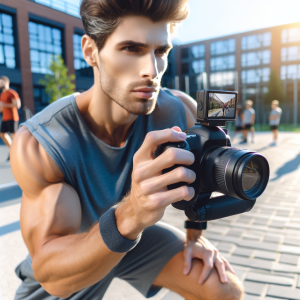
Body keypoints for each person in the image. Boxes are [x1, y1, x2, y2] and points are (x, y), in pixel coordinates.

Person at [11, 1, 243, 299]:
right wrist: (132, 212)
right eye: (131, 48)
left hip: (135, 238)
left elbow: (204, 176)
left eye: (161, 51)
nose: (151, 70)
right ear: (91, 51)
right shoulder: (42, 143)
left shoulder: (180, 111)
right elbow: (53, 277)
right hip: (72, 255)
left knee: (224, 289)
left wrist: (194, 231)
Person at [0, 76, 21, 161]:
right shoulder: (2, 94)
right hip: (5, 118)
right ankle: (12, 150)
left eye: (2, 82)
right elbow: (1, 108)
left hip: (13, 117)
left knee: (14, 136)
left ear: (6, 82)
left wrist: (4, 105)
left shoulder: (12, 93)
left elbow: (18, 104)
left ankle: (19, 153)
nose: (0, 84)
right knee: (2, 134)